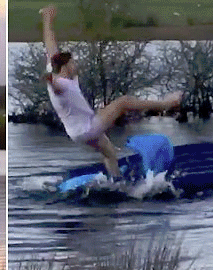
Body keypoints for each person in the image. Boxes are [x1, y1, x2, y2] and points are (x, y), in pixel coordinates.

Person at [40, 4, 182, 178]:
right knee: (123, 102)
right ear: (66, 66)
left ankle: (116, 182)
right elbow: (56, 87)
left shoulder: (58, 69)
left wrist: (48, 19)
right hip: (87, 128)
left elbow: (50, 43)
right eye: (73, 63)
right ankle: (166, 104)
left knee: (109, 152)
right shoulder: (61, 84)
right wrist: (50, 81)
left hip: (78, 132)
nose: (76, 65)